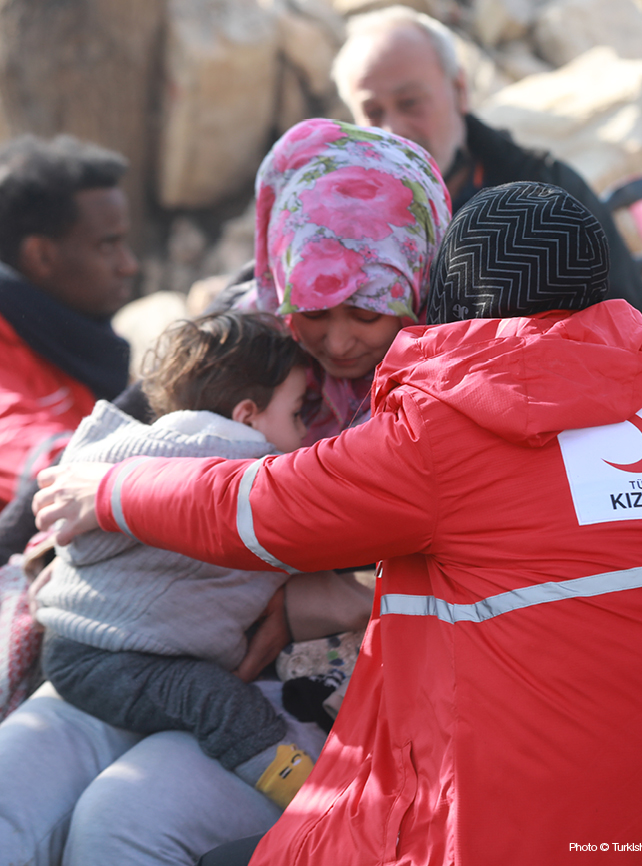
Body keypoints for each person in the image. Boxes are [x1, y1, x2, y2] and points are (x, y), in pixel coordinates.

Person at [35, 181, 642, 865]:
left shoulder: (451, 426)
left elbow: (258, 507)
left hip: (522, 831)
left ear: (440, 291)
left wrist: (108, 489)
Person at [0, 119, 451, 866]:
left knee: (122, 823)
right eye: (313, 310)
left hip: (321, 691)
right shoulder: (242, 344)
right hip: (135, 646)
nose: (337, 343)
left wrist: (300, 598)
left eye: (367, 312)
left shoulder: (448, 384)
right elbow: (114, 441)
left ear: (416, 276)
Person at [36, 310, 329, 809]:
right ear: (246, 416)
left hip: (80, 645)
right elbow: (295, 528)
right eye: (298, 413)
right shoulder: (237, 464)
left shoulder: (141, 450)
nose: (305, 433)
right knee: (211, 699)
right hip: (109, 657)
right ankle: (304, 793)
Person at [330, 5, 642, 351]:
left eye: (410, 102)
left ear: (460, 89)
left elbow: (635, 335)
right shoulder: (338, 225)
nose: (394, 129)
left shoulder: (549, 195)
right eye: (372, 112)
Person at [0, 133, 137, 553]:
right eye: (107, 244)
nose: (129, 265)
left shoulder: (67, 337)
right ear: (41, 256)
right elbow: (44, 462)